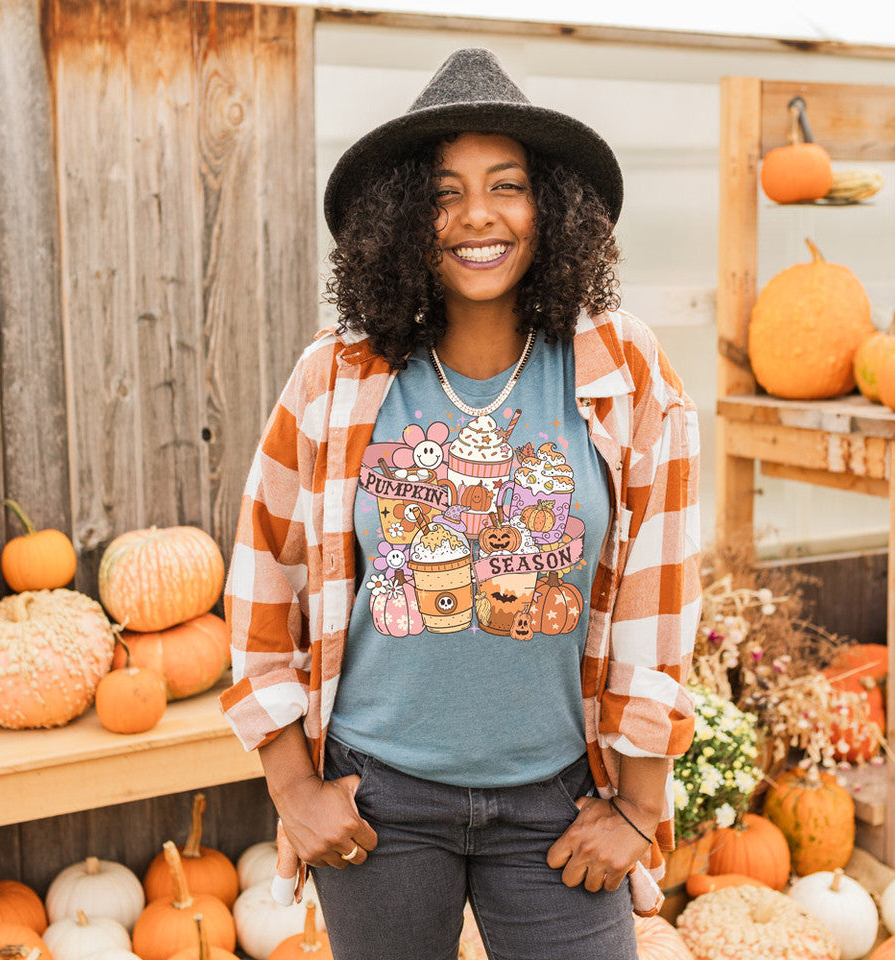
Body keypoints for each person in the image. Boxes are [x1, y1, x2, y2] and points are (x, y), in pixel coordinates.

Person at [221, 47, 701, 960]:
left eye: (507, 186)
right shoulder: (337, 375)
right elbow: (263, 577)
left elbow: (658, 600)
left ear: (552, 208)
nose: (477, 216)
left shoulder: (621, 372)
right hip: (380, 803)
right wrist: (293, 789)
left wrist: (639, 808)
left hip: (559, 801)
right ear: (401, 218)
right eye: (444, 192)